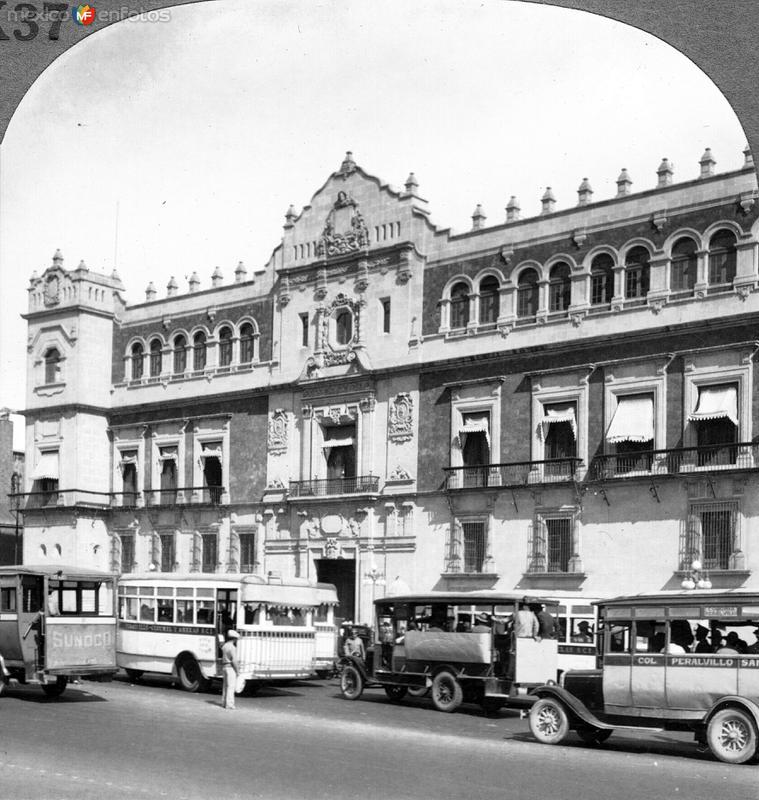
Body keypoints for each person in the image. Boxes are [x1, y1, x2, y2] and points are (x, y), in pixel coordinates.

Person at [221, 629, 240, 710]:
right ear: (234, 638)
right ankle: (230, 704)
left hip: (224, 666)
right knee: (231, 687)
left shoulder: (224, 646)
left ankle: (224, 702)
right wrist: (237, 671)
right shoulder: (232, 647)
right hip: (230, 668)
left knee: (225, 686)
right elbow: (234, 660)